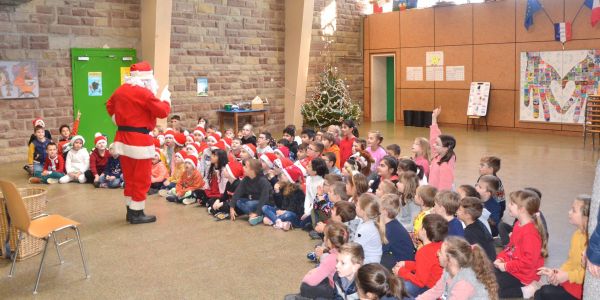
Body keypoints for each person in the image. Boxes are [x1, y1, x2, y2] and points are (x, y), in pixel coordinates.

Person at [106, 61, 171, 224]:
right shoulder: (145, 93)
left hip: (122, 139)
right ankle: (137, 213)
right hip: (140, 142)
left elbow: (109, 105)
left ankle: (130, 209)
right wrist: (166, 100)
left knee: (129, 177)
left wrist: (119, 120)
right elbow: (162, 111)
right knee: (142, 178)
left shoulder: (120, 90)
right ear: (146, 79)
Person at [533, 195, 590, 300]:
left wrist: (567, 276)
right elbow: (570, 262)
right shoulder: (577, 234)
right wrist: (557, 273)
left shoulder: (590, 241)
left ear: (585, 217)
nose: (569, 212)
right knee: (539, 293)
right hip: (574, 279)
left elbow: (588, 275)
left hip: (583, 287)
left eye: (573, 210)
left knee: (545, 292)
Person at [494, 190, 548, 298]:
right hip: (513, 267)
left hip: (524, 275)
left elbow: (528, 263)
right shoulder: (518, 224)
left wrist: (506, 266)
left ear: (522, 209)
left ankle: (527, 290)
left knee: (493, 291)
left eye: (512, 203)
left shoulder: (530, 234)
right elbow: (510, 247)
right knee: (487, 276)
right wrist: (501, 258)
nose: (508, 205)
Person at [417, 236, 499, 300]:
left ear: (450, 260)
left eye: (440, 252)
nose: (437, 254)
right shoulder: (448, 270)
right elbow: (436, 291)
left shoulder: (464, 282)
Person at [394, 214, 447, 298]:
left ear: (424, 231)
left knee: (400, 286)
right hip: (436, 284)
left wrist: (401, 272)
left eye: (421, 226)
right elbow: (424, 266)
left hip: (429, 288)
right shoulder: (440, 245)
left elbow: (420, 281)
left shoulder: (424, 252)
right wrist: (406, 264)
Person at [298, 223, 349, 299]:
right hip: (343, 286)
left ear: (328, 241)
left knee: (305, 287)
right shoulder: (346, 252)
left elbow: (312, 281)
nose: (324, 237)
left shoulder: (331, 258)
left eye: (325, 235)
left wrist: (306, 277)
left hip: (335, 290)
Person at [230, 159, 274, 225]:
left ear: (253, 170)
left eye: (246, 167)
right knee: (238, 201)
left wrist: (257, 212)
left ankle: (258, 214)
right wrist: (232, 207)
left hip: (267, 203)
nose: (243, 168)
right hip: (254, 201)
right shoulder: (246, 179)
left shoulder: (263, 181)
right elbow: (237, 193)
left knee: (249, 204)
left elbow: (264, 198)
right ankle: (255, 215)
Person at [262, 164, 305, 230]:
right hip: (283, 212)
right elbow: (280, 205)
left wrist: (284, 212)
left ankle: (273, 220)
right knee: (265, 207)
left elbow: (296, 209)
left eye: (285, 175)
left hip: (293, 215)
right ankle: (279, 222)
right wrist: (277, 192)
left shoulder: (298, 191)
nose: (281, 175)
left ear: (290, 178)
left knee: (288, 215)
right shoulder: (283, 186)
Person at [380, 193, 415, 270]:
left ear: (384, 211)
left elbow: (380, 249)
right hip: (400, 259)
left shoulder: (391, 229)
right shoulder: (392, 224)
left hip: (404, 265)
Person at [457, 196, 497, 262]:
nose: (457, 211)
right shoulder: (478, 222)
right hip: (490, 259)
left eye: (459, 210)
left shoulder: (469, 233)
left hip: (485, 266)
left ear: (467, 215)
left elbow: (472, 257)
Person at [428, 107, 456, 191]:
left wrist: (438, 201)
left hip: (438, 197)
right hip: (432, 192)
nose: (433, 145)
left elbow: (444, 188)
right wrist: (434, 118)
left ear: (447, 148)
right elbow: (434, 137)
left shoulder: (445, 166)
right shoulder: (439, 154)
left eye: (437, 144)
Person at [355, 193, 384, 264]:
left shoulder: (367, 229)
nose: (355, 206)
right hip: (367, 260)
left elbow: (355, 249)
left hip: (369, 265)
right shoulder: (366, 222)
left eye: (357, 205)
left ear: (363, 211)